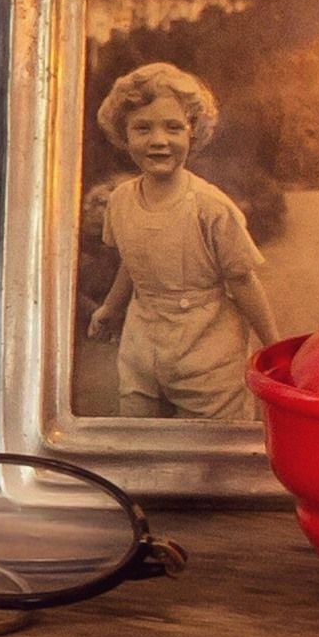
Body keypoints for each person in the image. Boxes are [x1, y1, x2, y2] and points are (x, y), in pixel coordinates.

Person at [80, 62, 281, 420]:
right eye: (142, 128)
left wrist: (274, 348)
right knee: (137, 438)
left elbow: (242, 280)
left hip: (206, 350)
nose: (159, 140)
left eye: (173, 127)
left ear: (193, 133)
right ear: (124, 135)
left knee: (210, 454)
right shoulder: (121, 200)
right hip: (142, 346)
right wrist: (111, 308)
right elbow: (134, 259)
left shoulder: (211, 208)